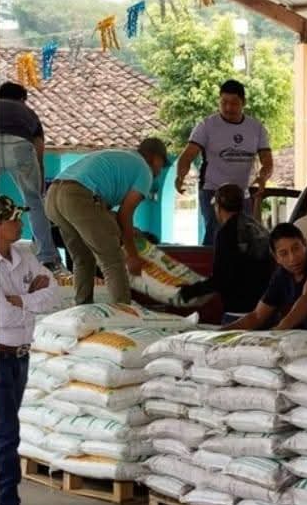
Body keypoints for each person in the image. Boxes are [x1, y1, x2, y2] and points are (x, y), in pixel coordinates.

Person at [0, 195, 62, 505]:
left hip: (20, 355)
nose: (19, 223)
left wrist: (18, 299)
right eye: (12, 219)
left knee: (0, 432)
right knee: (7, 433)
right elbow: (1, 315)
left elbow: (55, 295)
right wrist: (29, 299)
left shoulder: (24, 256)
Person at [46, 138, 168, 305]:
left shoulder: (122, 158)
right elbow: (125, 215)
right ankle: (123, 313)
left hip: (53, 196)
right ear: (155, 158)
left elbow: (104, 213)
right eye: (162, 165)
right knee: (113, 262)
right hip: (78, 197)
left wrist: (122, 230)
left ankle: (83, 307)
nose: (160, 171)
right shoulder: (144, 170)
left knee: (83, 258)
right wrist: (132, 255)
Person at [173, 79, 274, 246]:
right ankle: (211, 261)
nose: (228, 108)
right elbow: (188, 155)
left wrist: (263, 176)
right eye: (224, 102)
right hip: (212, 190)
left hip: (243, 193)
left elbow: (267, 160)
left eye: (234, 103)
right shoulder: (206, 126)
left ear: (243, 103)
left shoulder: (256, 128)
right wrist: (180, 176)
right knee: (216, 233)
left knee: (245, 236)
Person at [176, 183, 275, 324]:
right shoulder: (257, 227)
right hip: (265, 311)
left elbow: (222, 278)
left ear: (218, 207)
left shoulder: (226, 232)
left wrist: (188, 292)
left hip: (239, 313)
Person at [0, 82, 62, 271]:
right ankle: (47, 257)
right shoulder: (28, 112)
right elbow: (39, 151)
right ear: (22, 99)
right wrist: (39, 189)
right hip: (20, 146)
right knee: (34, 202)